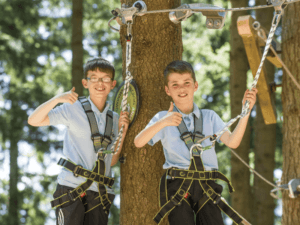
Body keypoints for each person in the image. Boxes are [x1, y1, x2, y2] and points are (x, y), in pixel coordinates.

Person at [134, 60, 257, 225]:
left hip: (207, 184)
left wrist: (246, 112)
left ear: (195, 86)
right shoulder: (163, 118)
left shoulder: (209, 117)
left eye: (186, 83)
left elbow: (233, 142)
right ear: (167, 90)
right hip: (178, 184)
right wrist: (163, 122)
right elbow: (138, 142)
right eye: (175, 85)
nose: (182, 88)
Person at [28, 58, 129, 225]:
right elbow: (34, 120)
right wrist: (57, 99)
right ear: (85, 82)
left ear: (113, 83)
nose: (100, 83)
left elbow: (112, 160)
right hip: (71, 188)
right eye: (94, 78)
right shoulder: (72, 108)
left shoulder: (115, 119)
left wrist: (123, 131)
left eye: (105, 78)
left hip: (99, 193)